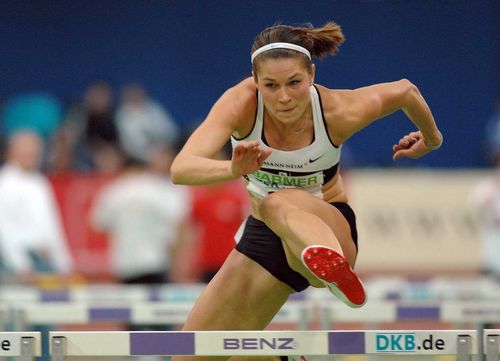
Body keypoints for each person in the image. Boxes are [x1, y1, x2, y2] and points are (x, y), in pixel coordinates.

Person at [170, 22, 443, 361]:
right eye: (270, 86)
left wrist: (431, 140)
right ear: (256, 82)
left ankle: (331, 268)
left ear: (311, 75)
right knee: (191, 355)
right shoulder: (240, 104)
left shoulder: (337, 110)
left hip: (330, 226)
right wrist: (232, 169)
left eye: (294, 83)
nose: (283, 97)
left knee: (273, 203)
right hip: (268, 240)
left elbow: (405, 91)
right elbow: (181, 169)